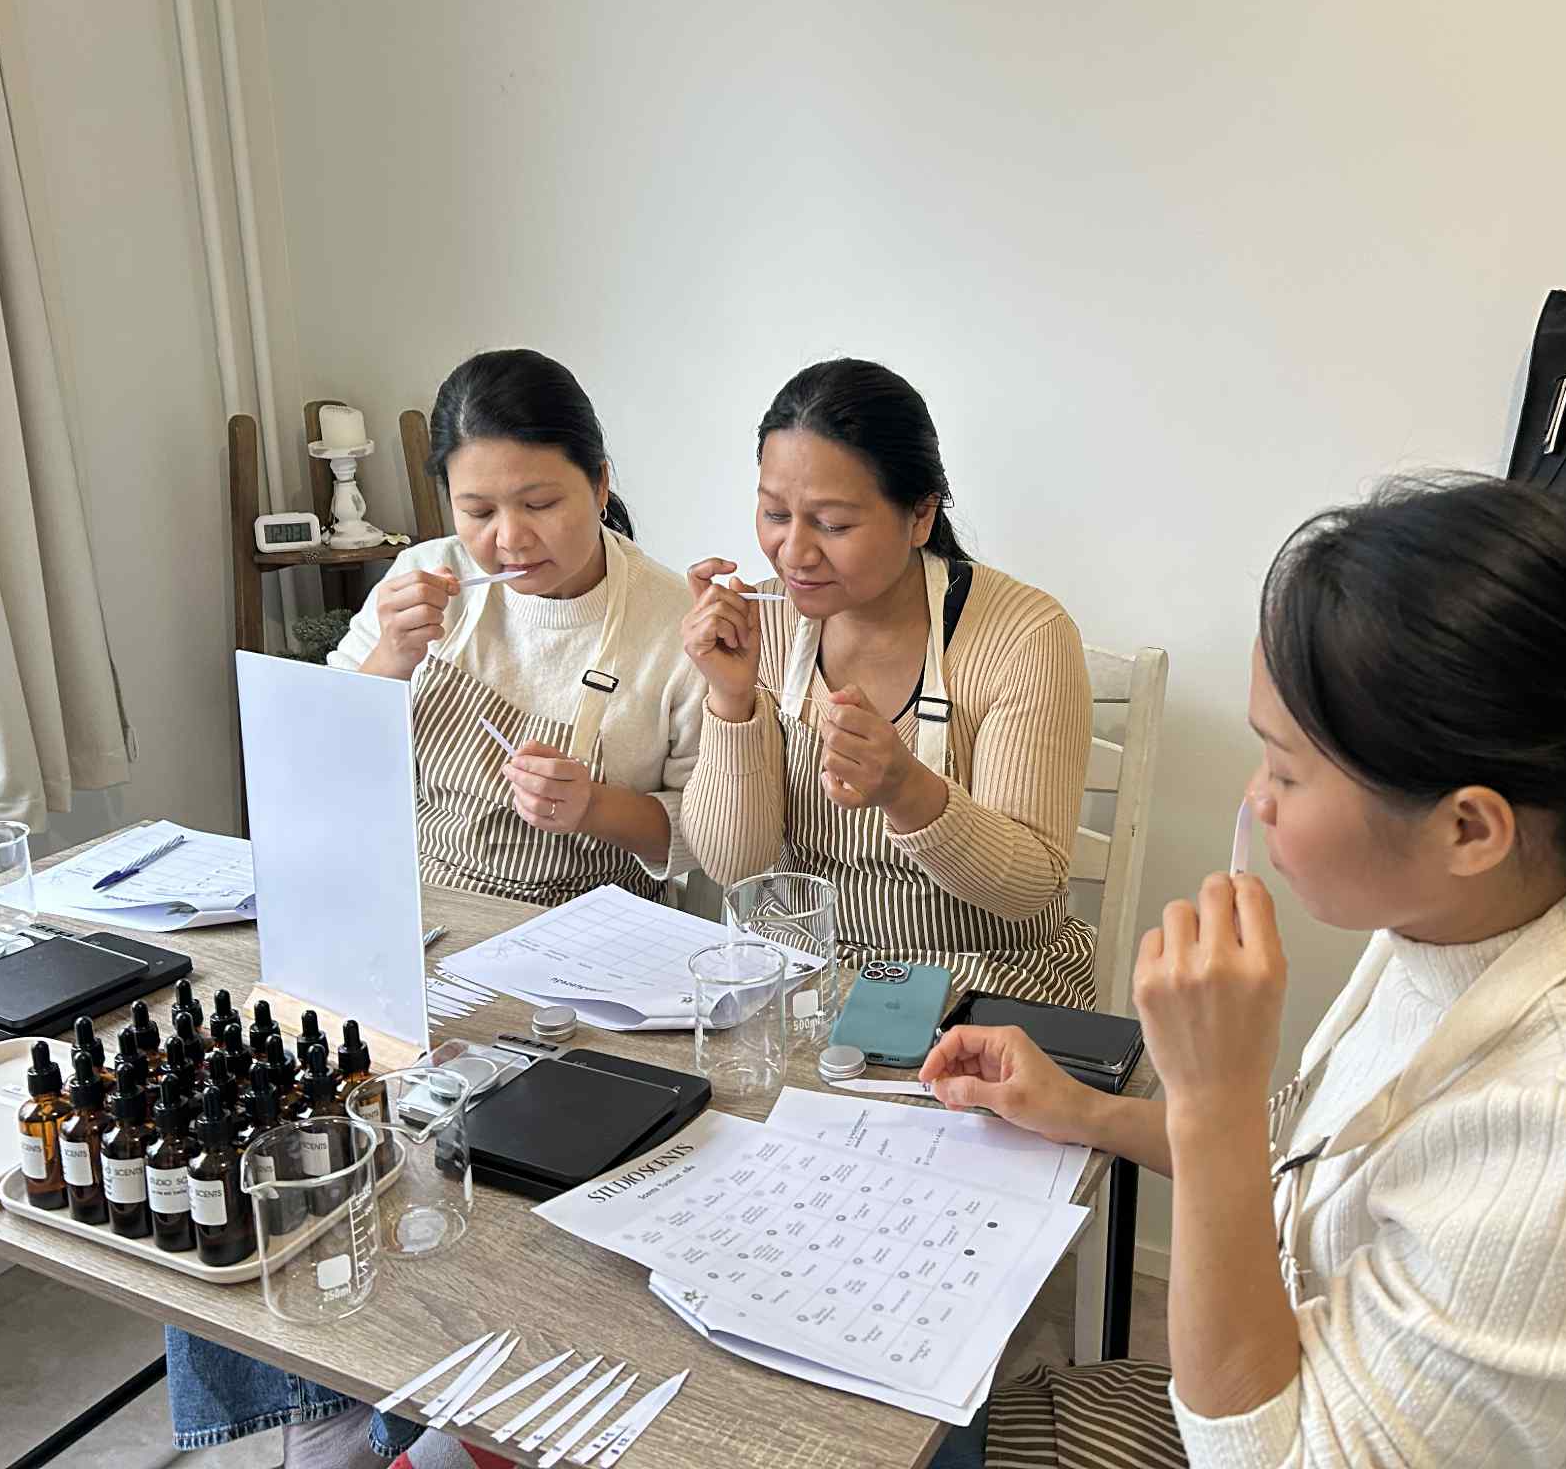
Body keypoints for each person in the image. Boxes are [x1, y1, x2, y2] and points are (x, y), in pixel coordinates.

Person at [923, 477, 1566, 1468]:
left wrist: (1211, 1100)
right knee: (973, 1420)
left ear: (1467, 827)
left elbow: (1262, 1457)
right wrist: (1080, 1110)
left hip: (1281, 1432)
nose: (1253, 801)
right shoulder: (1445, 937)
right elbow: (1309, 1163)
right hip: (1309, 1382)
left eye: (1282, 770)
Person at [169, 349, 706, 1467]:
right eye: (476, 509)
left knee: (458, 1174)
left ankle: (438, 1411)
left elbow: (702, 842)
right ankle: (313, 1402)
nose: (507, 536)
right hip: (415, 930)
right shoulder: (420, 587)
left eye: (539, 502)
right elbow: (322, 786)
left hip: (585, 967)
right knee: (260, 1110)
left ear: (601, 482)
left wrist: (600, 805)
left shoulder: (666, 620)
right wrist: (382, 664)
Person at [681, 358, 1097, 1007]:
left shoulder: (1024, 635)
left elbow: (1027, 888)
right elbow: (738, 868)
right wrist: (730, 700)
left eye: (834, 524)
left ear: (921, 515)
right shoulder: (760, 624)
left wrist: (905, 788)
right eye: (774, 514)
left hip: (984, 980)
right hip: (806, 972)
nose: (793, 552)